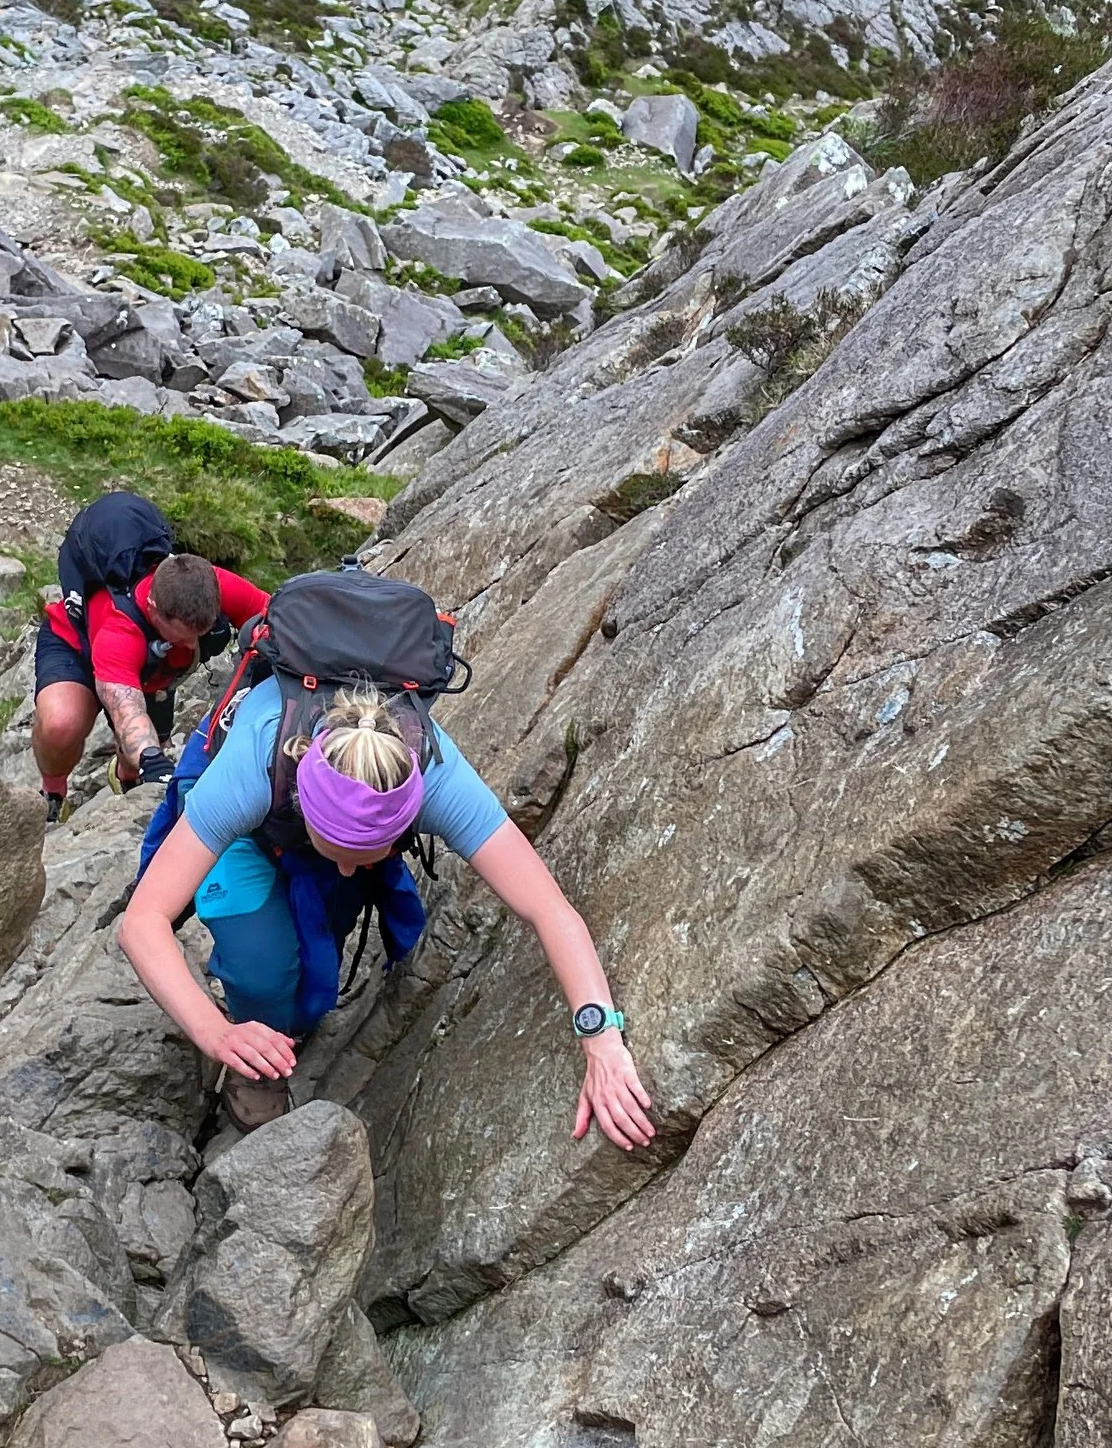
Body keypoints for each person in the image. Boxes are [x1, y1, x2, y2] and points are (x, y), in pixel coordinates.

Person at [119, 673, 656, 1149]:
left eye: (368, 856)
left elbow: (549, 909)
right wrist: (217, 1035)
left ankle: (298, 980)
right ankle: (254, 1057)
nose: (352, 870)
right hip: (251, 835)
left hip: (304, 830)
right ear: (304, 807)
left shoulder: (437, 779)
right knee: (264, 971)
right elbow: (142, 924)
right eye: (342, 854)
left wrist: (602, 1038)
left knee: (318, 964)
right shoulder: (249, 771)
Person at [34, 492, 268, 820]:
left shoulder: (208, 583)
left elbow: (270, 614)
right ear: (154, 610)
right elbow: (124, 706)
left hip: (152, 670)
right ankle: (53, 790)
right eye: (183, 636)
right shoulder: (120, 629)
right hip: (76, 646)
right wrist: (153, 760)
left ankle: (125, 778)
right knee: (62, 724)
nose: (190, 646)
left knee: (137, 759)